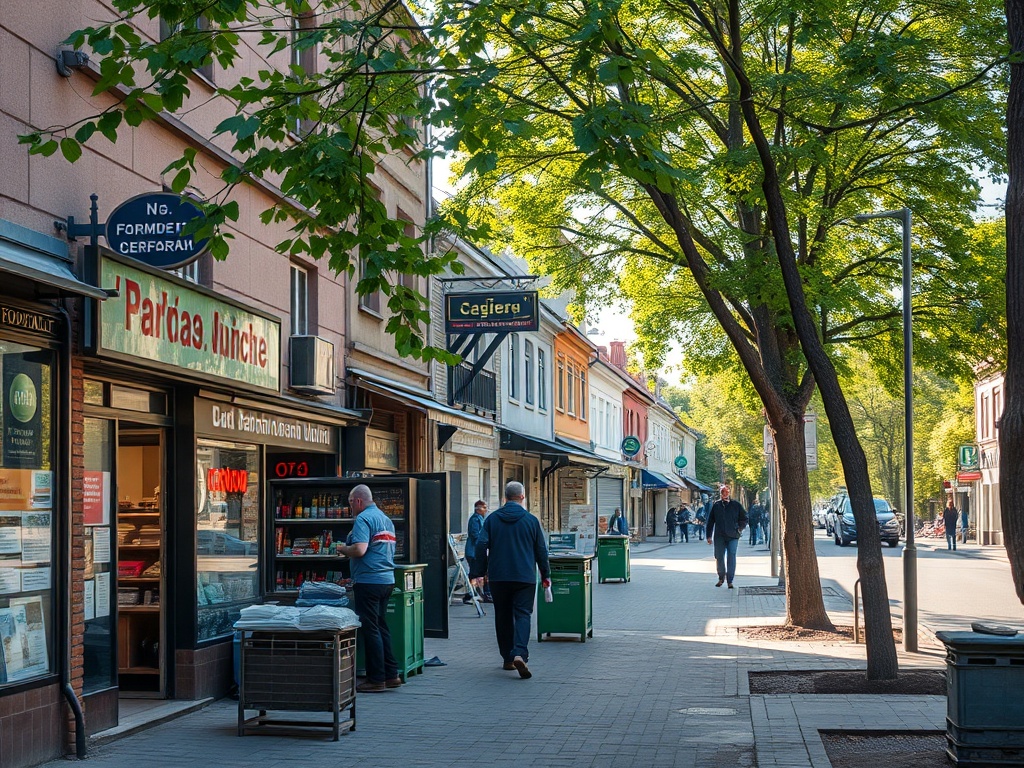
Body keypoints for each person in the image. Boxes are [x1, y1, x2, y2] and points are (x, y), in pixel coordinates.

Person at [470, 481, 550, 679]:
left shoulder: (492, 519)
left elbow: (481, 545)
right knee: (523, 614)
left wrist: (479, 571)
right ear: (522, 497)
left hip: (499, 576)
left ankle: (507, 658)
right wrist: (546, 574)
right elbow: (541, 550)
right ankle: (520, 653)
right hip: (525, 577)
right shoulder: (531, 521)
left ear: (505, 498)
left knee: (503, 615)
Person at [337, 484, 401, 693]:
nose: (350, 508)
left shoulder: (363, 519)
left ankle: (377, 679)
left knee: (371, 629)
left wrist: (342, 549)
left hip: (369, 581)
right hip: (387, 580)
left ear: (358, 501)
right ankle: (392, 674)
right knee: (381, 626)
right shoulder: (386, 519)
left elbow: (360, 549)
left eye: (350, 503)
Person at [706, 484, 747, 589]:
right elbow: (710, 521)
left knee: (731, 556)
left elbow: (744, 518)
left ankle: (730, 580)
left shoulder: (736, 505)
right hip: (719, 536)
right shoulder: (716, 505)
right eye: (722, 492)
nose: (724, 494)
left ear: (729, 493)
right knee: (719, 556)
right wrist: (709, 536)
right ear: (720, 494)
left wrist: (739, 528)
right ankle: (721, 577)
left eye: (726, 492)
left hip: (733, 535)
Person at [464, 500, 493, 603]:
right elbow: (475, 535)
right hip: (474, 552)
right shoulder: (475, 519)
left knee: (477, 573)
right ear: (478, 509)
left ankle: (475, 594)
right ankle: (475, 595)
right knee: (477, 573)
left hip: (476, 551)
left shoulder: (479, 519)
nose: (486, 510)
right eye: (484, 508)